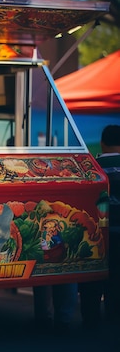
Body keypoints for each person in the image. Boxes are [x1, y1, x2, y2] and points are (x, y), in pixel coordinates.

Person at [79, 124, 120, 326]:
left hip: (97, 235)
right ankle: (113, 317)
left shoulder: (91, 168)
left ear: (103, 143)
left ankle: (91, 319)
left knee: (92, 280)